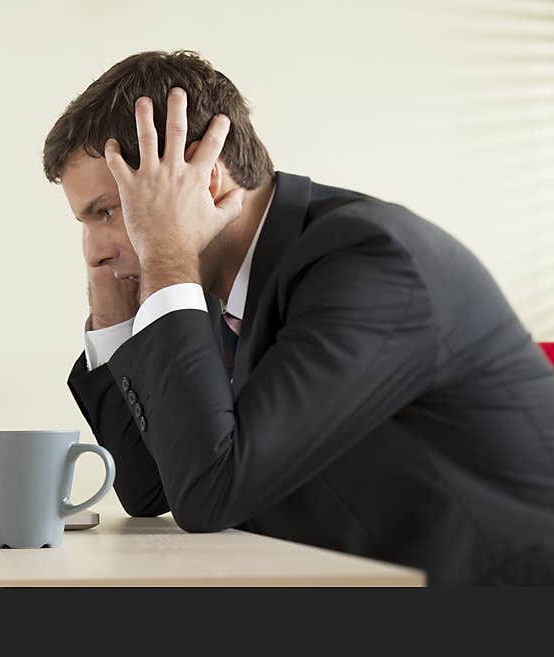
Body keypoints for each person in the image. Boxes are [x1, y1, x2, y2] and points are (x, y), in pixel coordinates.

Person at [42, 50, 554, 586]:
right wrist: (114, 311)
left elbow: (208, 495)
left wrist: (165, 258)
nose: (94, 250)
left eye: (108, 210)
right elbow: (151, 488)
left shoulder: (367, 261)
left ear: (203, 180)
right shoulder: (217, 284)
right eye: (85, 221)